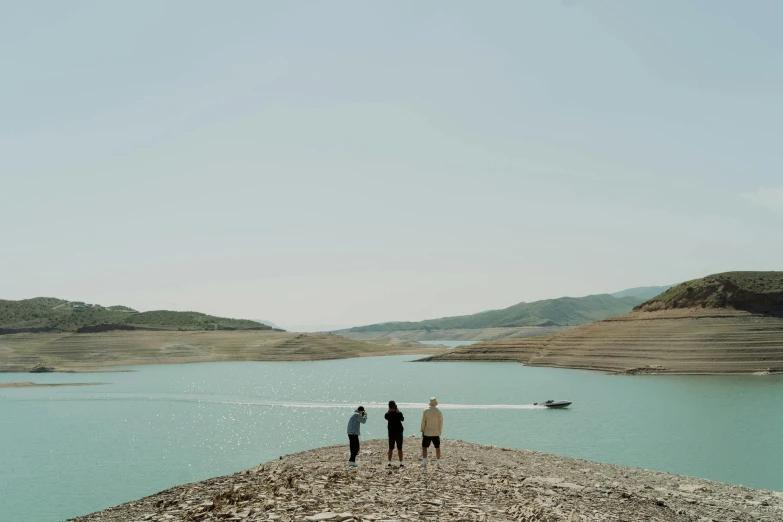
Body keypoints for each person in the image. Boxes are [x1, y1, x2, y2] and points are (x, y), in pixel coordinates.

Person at [420, 397, 443, 468]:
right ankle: (438, 462)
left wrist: (422, 429)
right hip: (436, 432)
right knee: (437, 447)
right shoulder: (438, 411)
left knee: (424, 447)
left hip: (427, 432)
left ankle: (424, 462)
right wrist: (440, 430)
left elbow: (423, 421)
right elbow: (440, 422)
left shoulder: (426, 411)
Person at [384, 400, 405, 467]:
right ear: (395, 406)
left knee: (390, 448)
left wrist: (389, 411)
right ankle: (401, 462)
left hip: (391, 433)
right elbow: (402, 419)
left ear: (389, 407)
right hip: (398, 432)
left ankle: (389, 462)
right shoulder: (398, 413)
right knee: (400, 448)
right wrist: (398, 411)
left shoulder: (388, 414)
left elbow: (385, 417)